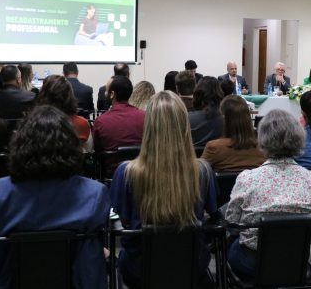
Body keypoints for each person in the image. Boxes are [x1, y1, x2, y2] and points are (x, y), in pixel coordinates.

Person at [110, 91, 220, 288]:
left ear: (149, 126)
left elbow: (123, 221)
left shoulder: (125, 172)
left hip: (140, 268)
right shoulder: (203, 171)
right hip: (192, 264)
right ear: (184, 126)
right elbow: (212, 215)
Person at [0, 105, 110, 289]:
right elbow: (91, 270)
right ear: (71, 146)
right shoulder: (94, 194)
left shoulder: (2, 194)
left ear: (20, 145)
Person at [225, 109, 311, 277]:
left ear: (262, 139)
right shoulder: (310, 178)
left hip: (253, 261)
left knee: (229, 242)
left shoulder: (248, 178)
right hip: (294, 258)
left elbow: (232, 221)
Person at [93, 76, 145, 173]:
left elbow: (97, 151)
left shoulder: (100, 121)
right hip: (141, 175)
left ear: (112, 94)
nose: (105, 93)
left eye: (106, 90)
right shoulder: (145, 117)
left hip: (111, 177)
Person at [201, 95, 266, 171]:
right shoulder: (263, 149)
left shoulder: (213, 148)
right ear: (248, 118)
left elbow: (201, 175)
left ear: (224, 119)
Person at [37, 75, 93, 151]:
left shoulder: (33, 124)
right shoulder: (82, 124)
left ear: (43, 96)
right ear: (70, 96)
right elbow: (89, 151)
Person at [189, 76, 224, 147]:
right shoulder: (225, 119)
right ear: (219, 93)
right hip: (217, 157)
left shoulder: (187, 118)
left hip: (192, 156)